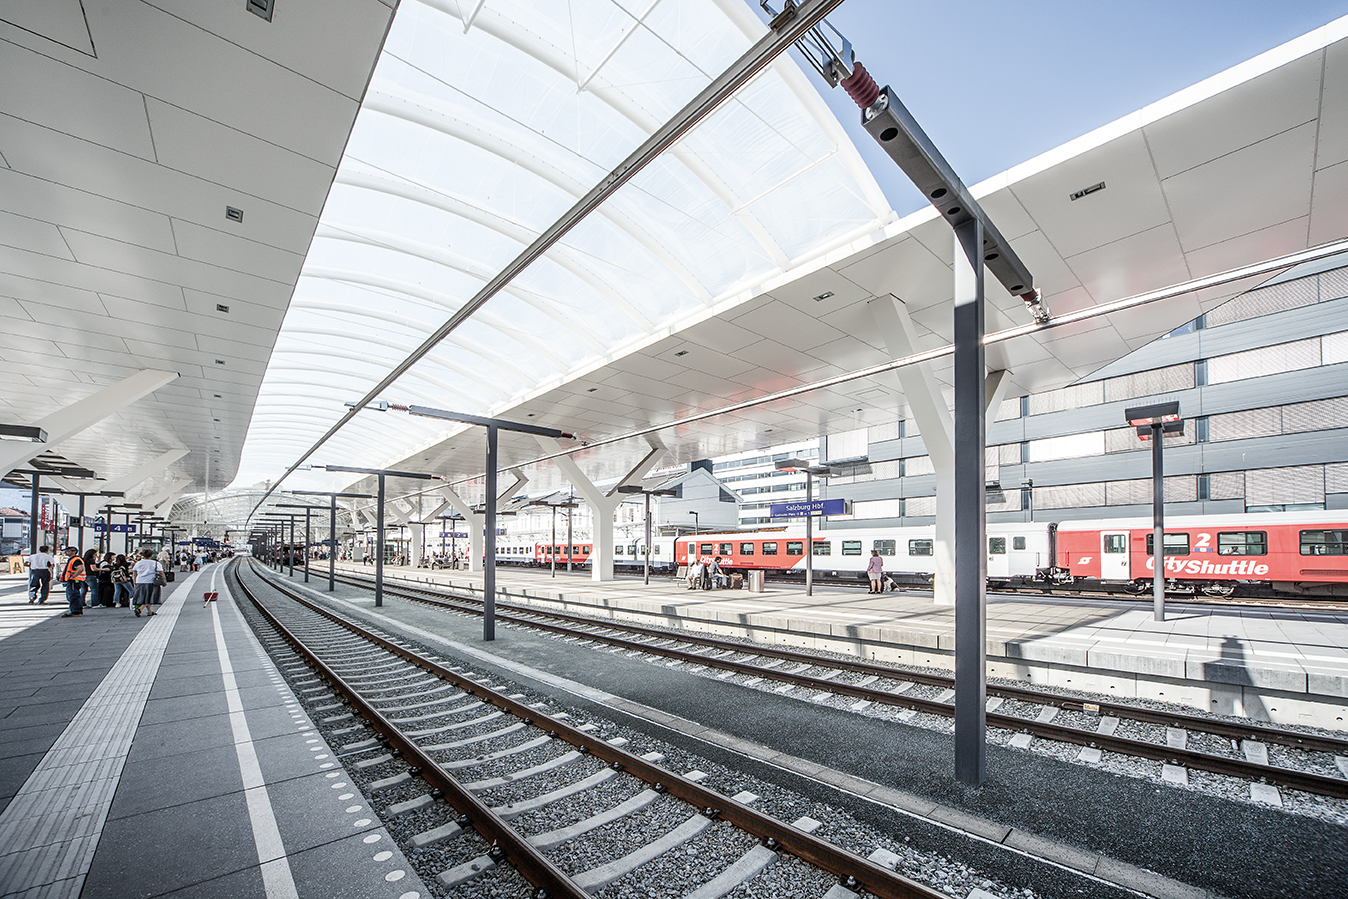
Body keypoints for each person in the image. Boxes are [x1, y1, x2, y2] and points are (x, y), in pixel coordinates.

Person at [131, 547, 163, 617]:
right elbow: (161, 573)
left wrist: (134, 583)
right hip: (151, 582)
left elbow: (134, 574)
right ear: (151, 555)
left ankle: (149, 611)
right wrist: (164, 581)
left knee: (144, 596)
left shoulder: (138, 563)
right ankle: (140, 609)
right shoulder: (155, 563)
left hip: (140, 582)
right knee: (150, 597)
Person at [59, 547, 86, 618]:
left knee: (73, 595)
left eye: (68, 551)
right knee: (71, 595)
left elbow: (81, 568)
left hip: (75, 581)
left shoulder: (76, 560)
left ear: (74, 551)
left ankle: (76, 611)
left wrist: (73, 576)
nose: (66, 552)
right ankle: (75, 610)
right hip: (73, 580)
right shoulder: (72, 559)